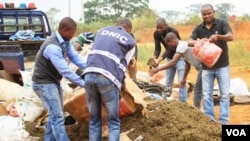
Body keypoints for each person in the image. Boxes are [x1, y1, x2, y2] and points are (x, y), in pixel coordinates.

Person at [32, 17, 86, 141]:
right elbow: (65, 71)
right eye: (71, 33)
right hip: (43, 84)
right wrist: (83, 83)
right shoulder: (52, 46)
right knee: (57, 117)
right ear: (63, 30)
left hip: (52, 82)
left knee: (55, 115)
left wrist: (92, 67)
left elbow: (75, 58)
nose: (73, 36)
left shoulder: (65, 42)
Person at [82, 18, 136, 141]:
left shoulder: (102, 31)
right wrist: (122, 87)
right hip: (107, 77)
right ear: (129, 29)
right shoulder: (130, 41)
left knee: (94, 120)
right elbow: (123, 67)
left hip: (89, 74)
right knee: (113, 122)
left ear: (116, 25)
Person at [188, 4, 233, 125]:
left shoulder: (221, 23)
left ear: (214, 12)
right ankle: (210, 120)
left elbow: (230, 36)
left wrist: (218, 36)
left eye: (209, 13)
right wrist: (198, 42)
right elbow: (189, 41)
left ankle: (224, 121)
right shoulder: (199, 28)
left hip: (222, 66)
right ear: (201, 14)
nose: (207, 16)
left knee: (224, 95)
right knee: (207, 95)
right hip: (206, 68)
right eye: (204, 14)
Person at [149, 32, 203, 108]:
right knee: (201, 89)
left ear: (172, 42)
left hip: (204, 67)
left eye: (168, 44)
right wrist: (184, 78)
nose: (169, 47)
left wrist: (157, 69)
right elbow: (187, 64)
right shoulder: (183, 48)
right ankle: (200, 109)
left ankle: (198, 111)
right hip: (201, 68)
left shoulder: (181, 46)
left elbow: (173, 62)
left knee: (198, 90)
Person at [152, 17, 187, 102]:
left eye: (161, 28)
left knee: (181, 80)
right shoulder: (157, 34)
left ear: (166, 25)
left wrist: (159, 60)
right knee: (168, 81)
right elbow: (157, 49)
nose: (159, 30)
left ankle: (182, 102)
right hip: (170, 58)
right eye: (158, 28)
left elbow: (170, 49)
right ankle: (167, 100)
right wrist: (154, 59)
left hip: (180, 58)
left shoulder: (173, 31)